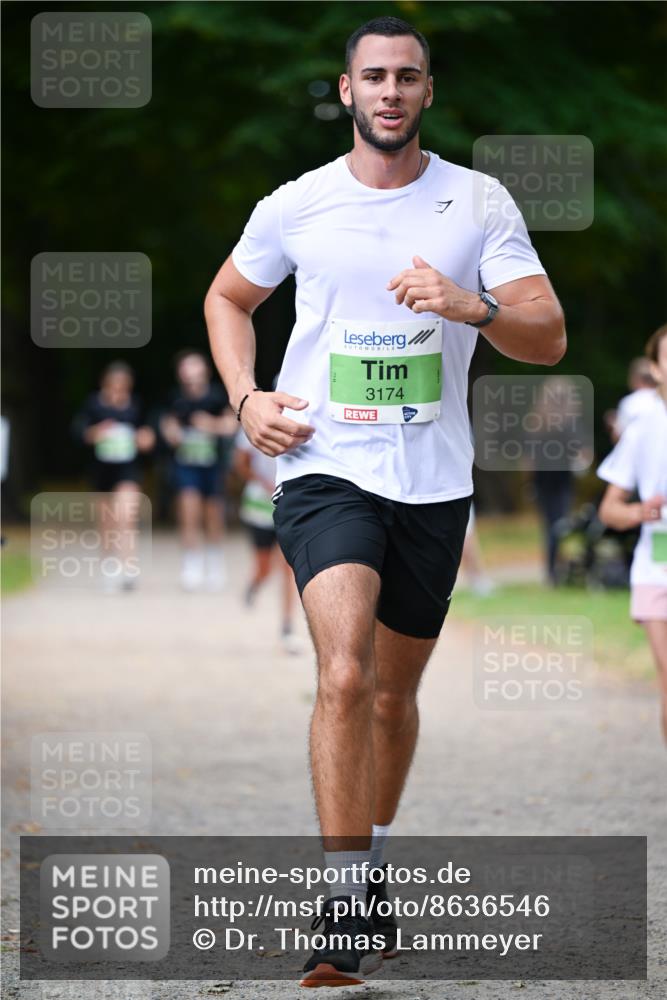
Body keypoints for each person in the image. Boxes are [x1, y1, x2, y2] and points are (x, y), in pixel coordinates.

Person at [205, 15, 566, 987]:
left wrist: (471, 304)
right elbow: (227, 298)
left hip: (433, 478)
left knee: (394, 698)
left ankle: (372, 866)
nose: (391, 91)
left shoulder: (475, 201)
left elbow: (547, 336)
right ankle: (339, 902)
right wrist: (245, 398)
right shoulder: (298, 204)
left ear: (427, 91)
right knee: (342, 674)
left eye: (407, 76)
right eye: (374, 76)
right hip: (323, 463)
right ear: (347, 90)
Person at [598, 323, 667, 741]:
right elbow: (609, 510)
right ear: (655, 369)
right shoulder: (643, 428)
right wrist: (641, 511)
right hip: (657, 566)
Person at [73, 361, 155, 592]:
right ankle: (109, 565)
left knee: (126, 516)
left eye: (123, 385)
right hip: (101, 470)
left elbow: (148, 435)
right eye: (115, 384)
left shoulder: (135, 405)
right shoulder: (93, 405)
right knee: (106, 521)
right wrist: (96, 432)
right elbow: (79, 433)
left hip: (128, 469)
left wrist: (144, 439)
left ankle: (129, 567)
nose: (119, 389)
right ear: (105, 383)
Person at [160, 350, 236, 591]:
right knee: (188, 511)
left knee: (213, 515)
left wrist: (209, 424)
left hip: (213, 465)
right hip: (186, 464)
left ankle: (214, 563)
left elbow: (231, 425)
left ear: (204, 372)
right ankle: (191, 564)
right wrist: (172, 434)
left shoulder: (217, 396)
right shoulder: (175, 398)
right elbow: (167, 424)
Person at [234, 426, 301, 653]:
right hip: (259, 506)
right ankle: (254, 585)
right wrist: (263, 482)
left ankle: (287, 627)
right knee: (264, 567)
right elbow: (241, 463)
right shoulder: (253, 423)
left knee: (288, 568)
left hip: (288, 505)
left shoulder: (299, 422)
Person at [605, 356, 659, 442]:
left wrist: (614, 425)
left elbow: (620, 438)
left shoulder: (630, 403)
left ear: (635, 378)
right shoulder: (662, 399)